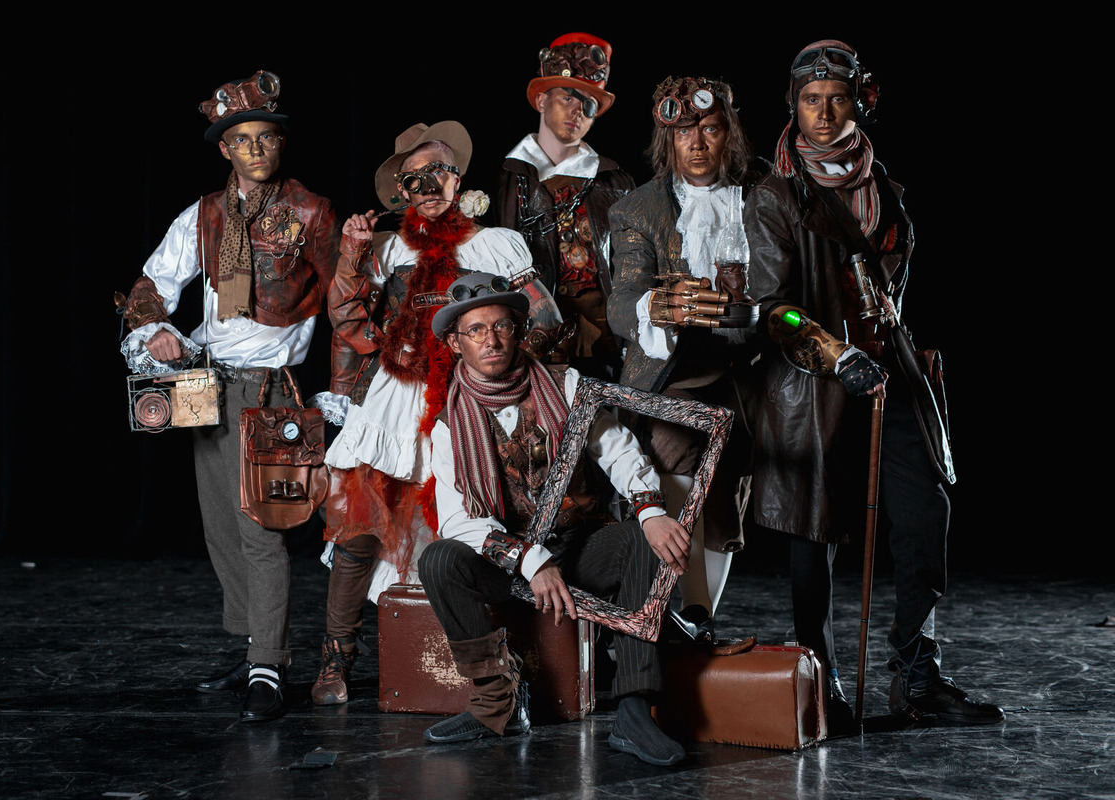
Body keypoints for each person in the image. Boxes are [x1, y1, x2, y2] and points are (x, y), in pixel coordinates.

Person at [744, 40, 1003, 724]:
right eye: (810, 100)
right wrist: (834, 353)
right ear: (793, 104)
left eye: (837, 99)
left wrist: (880, 342)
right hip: (815, 384)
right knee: (814, 533)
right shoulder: (776, 195)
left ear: (862, 101)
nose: (824, 114)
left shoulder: (883, 188)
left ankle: (917, 677)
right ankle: (819, 683)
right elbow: (775, 309)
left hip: (891, 373)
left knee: (924, 513)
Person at [117, 71, 337, 722]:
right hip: (210, 388)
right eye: (243, 140)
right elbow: (152, 285)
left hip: (273, 392)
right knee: (221, 529)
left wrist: (350, 390)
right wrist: (156, 331)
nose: (256, 149)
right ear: (224, 149)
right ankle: (253, 653)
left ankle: (269, 665)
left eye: (266, 137)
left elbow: (350, 303)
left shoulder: (312, 213)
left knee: (262, 530)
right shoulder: (204, 215)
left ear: (281, 143)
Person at [418, 272, 691, 766]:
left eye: (501, 326)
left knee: (640, 539)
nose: (490, 340)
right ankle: (495, 703)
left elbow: (617, 449)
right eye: (475, 330)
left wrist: (651, 510)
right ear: (456, 344)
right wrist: (530, 559)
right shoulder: (447, 425)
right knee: (439, 559)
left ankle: (634, 711)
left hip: (577, 546)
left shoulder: (565, 385)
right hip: (510, 566)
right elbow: (457, 520)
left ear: (519, 330)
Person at [314, 122, 539, 707]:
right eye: (414, 179)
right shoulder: (390, 249)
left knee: (460, 530)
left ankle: (469, 667)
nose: (427, 186)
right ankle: (337, 657)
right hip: (395, 398)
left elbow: (542, 318)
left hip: (468, 398)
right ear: (402, 193)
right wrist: (352, 254)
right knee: (361, 528)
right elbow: (347, 319)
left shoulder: (496, 245)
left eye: (438, 172)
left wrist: (508, 371)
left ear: (458, 179)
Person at [606, 77, 768, 639]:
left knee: (725, 492)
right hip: (671, 370)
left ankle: (700, 618)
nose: (697, 143)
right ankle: (685, 613)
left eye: (711, 129)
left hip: (748, 369)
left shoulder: (763, 195)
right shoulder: (638, 209)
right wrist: (660, 304)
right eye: (683, 134)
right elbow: (621, 304)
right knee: (676, 458)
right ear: (666, 140)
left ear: (730, 134)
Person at [498, 32, 635, 380]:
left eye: (588, 105)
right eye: (568, 96)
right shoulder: (504, 178)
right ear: (541, 100)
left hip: (606, 345)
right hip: (529, 340)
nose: (577, 110)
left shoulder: (615, 181)